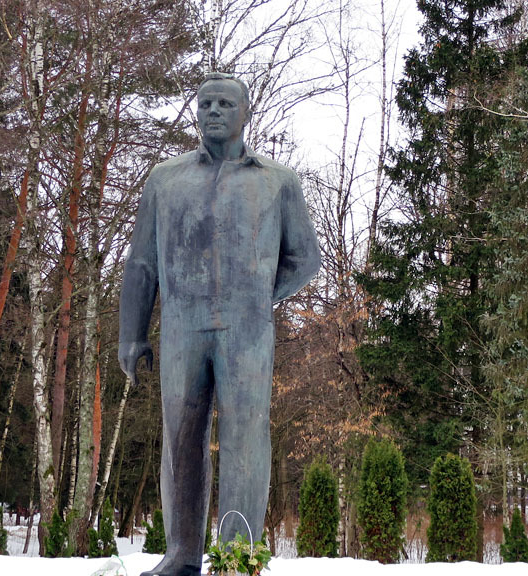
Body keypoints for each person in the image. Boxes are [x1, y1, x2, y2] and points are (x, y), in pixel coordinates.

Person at [118, 72, 320, 576]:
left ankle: (237, 556)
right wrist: (131, 332)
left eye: (225, 103)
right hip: (182, 330)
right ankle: (183, 553)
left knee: (246, 435)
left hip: (247, 333)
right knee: (181, 438)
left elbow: (305, 259)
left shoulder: (277, 180)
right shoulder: (165, 178)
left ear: (245, 112)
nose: (212, 111)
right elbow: (141, 263)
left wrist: (255, 295)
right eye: (204, 102)